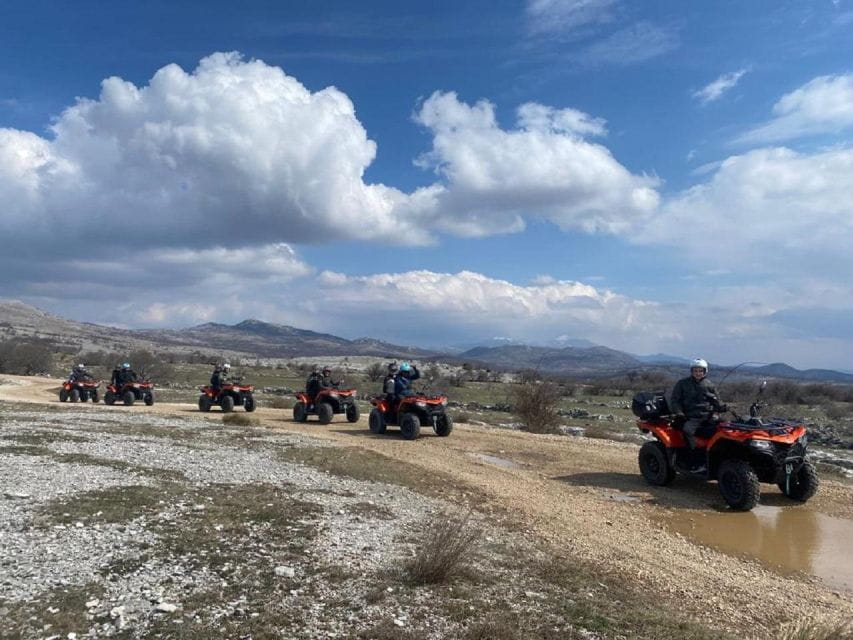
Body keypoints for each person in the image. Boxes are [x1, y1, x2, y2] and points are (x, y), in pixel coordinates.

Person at [669, 358, 725, 472]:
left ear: (705, 371)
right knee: (687, 431)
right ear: (691, 371)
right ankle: (694, 462)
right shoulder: (683, 384)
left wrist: (723, 407)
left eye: (700, 371)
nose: (698, 373)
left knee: (726, 428)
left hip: (708, 416)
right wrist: (679, 413)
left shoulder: (709, 385)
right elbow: (675, 401)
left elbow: (718, 401)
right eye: (695, 371)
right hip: (691, 416)